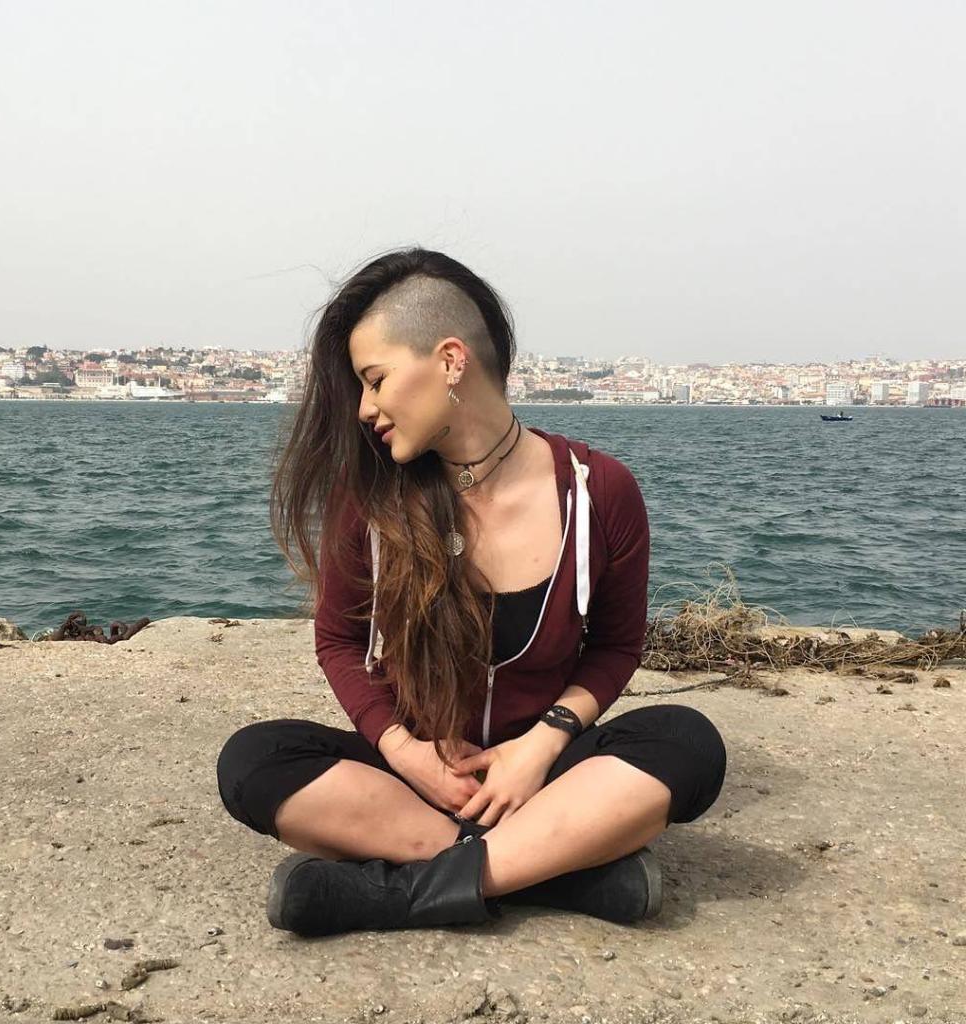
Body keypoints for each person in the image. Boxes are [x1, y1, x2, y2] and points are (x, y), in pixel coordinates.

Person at [217, 248, 727, 936]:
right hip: (414, 777)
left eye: (375, 379)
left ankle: (396, 893)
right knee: (253, 761)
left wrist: (540, 747)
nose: (365, 408)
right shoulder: (370, 498)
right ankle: (562, 872)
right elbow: (338, 639)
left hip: (546, 775)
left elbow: (616, 646)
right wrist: (407, 754)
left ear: (451, 360)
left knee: (687, 741)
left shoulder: (597, 491)